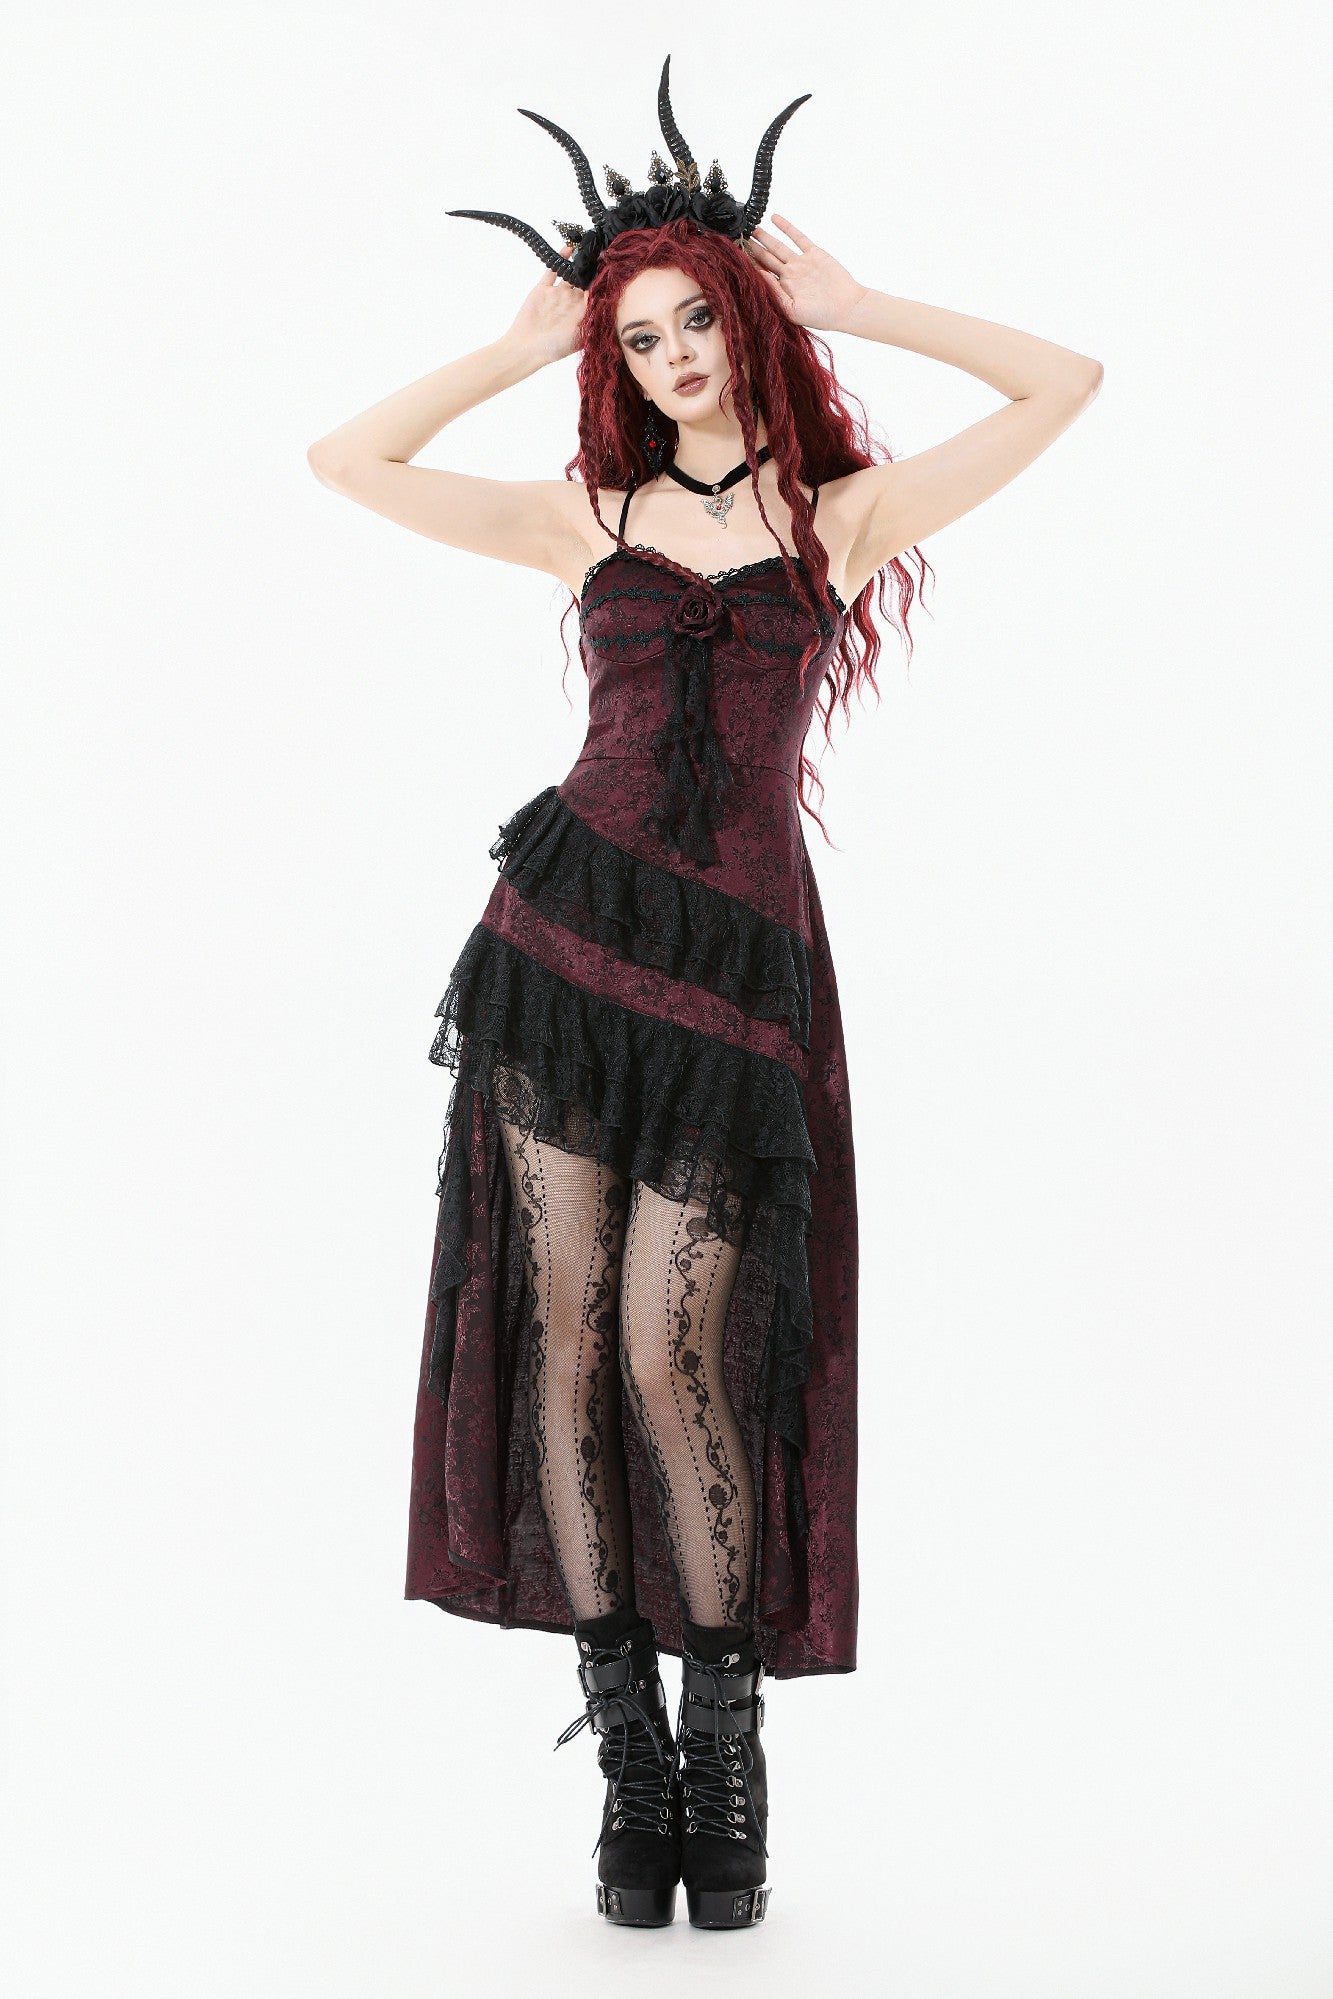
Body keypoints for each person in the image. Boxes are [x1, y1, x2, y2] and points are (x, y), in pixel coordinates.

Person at [307, 56, 1102, 1931]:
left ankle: (726, 1742)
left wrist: (860, 304)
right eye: (637, 336)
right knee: (569, 1336)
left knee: (677, 1351)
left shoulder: (845, 516)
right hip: (564, 950)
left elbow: (1065, 382)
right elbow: (346, 464)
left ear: (746, 318)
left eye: (693, 321)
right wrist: (519, 344)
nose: (668, 358)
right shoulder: (582, 511)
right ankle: (631, 1761)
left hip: (736, 970)